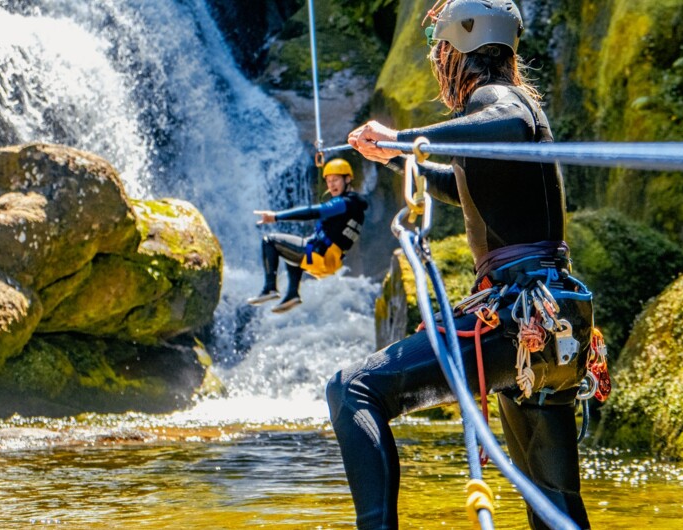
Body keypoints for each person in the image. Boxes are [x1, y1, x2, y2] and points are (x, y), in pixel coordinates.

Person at [326, 0, 593, 528]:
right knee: (556, 512)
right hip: (552, 327)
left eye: (437, 46)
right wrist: (405, 157)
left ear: (458, 47)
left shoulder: (499, 100)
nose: (436, 57)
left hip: (517, 317)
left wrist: (404, 137)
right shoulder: (504, 113)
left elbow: (510, 122)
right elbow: (470, 183)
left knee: (352, 388)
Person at [247, 158, 368, 313]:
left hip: (319, 255)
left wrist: (275, 216)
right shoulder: (357, 208)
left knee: (269, 241)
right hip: (329, 260)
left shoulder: (343, 203)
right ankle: (292, 294)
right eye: (329, 181)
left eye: (336, 180)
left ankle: (270, 288)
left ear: (348, 179)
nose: (331, 185)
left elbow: (312, 212)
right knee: (290, 250)